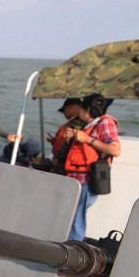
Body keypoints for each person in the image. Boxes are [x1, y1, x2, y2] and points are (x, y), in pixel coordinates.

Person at [62, 93, 121, 241]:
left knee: (77, 221)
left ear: (87, 109)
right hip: (77, 180)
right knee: (72, 218)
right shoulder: (90, 125)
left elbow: (115, 150)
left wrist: (87, 139)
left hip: (87, 181)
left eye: (82, 108)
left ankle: (74, 251)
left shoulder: (105, 123)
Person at [47, 98, 86, 173]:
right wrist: (54, 141)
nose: (64, 114)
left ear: (71, 107)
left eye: (64, 111)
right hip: (62, 160)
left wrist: (58, 158)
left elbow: (69, 144)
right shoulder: (73, 122)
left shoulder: (78, 124)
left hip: (64, 162)